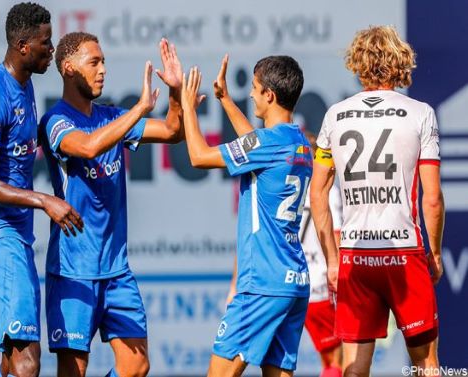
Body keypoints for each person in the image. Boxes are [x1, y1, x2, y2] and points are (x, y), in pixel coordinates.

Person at [39, 32, 183, 377]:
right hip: (73, 270)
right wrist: (138, 110)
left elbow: (172, 132)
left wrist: (176, 93)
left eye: (104, 62)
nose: (103, 69)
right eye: (94, 62)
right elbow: (87, 147)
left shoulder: (111, 117)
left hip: (117, 270)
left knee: (136, 365)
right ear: (68, 68)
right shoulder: (55, 121)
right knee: (74, 369)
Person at [310, 25, 444, 376]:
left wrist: (333, 260)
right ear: (400, 60)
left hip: (355, 257)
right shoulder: (420, 113)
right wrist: (435, 253)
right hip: (404, 253)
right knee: (426, 365)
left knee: (354, 368)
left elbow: (318, 193)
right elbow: (432, 199)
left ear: (358, 62)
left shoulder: (334, 116)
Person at [0, 3, 83, 377]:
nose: (52, 48)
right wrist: (44, 200)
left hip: (17, 238)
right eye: (45, 43)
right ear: (22, 46)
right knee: (27, 364)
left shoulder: (24, 84)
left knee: (11, 362)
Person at [181, 54, 312, 376]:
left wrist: (186, 107)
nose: (250, 94)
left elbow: (198, 157)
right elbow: (253, 143)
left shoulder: (269, 143)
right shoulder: (298, 140)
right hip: (294, 282)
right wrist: (225, 99)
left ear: (269, 95)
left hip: (263, 282)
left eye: (254, 89)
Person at [300, 131, 343, 377]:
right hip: (323, 284)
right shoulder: (327, 191)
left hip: (298, 285)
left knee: (326, 361)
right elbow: (335, 234)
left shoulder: (290, 188)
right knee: (337, 360)